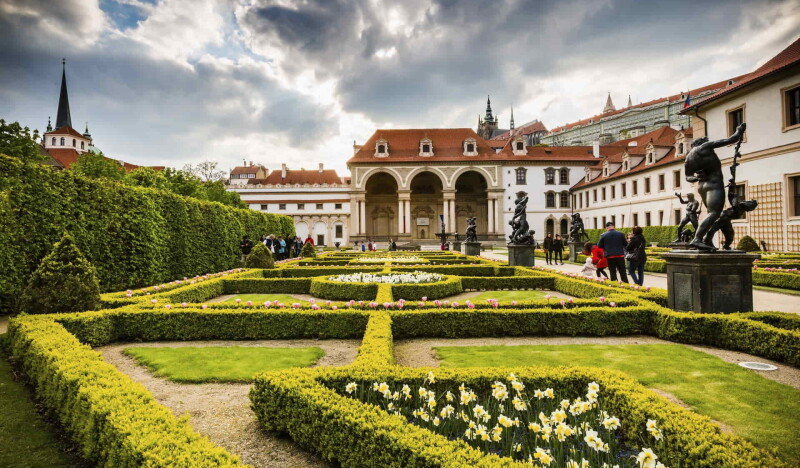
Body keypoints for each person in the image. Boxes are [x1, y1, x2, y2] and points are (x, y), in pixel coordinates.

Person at [684, 122, 746, 250]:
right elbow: (730, 140)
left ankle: (707, 240)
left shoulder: (688, 158)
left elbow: (687, 177)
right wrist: (739, 130)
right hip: (714, 183)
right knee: (714, 213)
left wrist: (697, 177)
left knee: (712, 214)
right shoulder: (705, 146)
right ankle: (698, 239)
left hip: (702, 186)